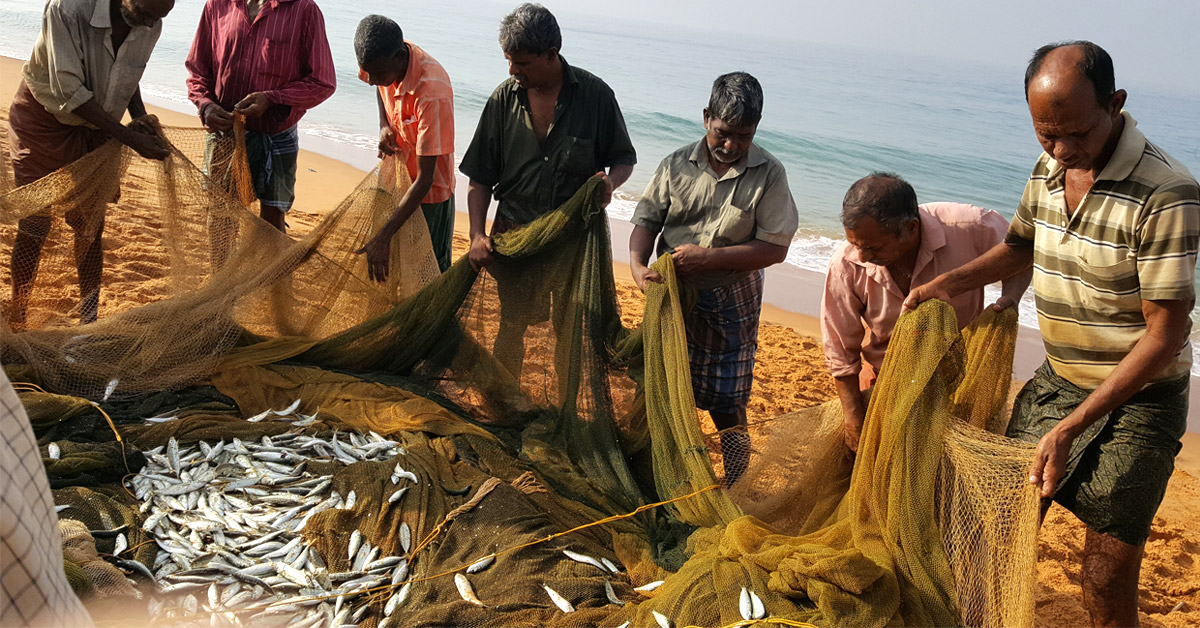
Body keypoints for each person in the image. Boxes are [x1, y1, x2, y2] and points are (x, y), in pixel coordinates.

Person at [905, 41, 1199, 627]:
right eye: (1046, 134)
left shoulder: (1167, 194)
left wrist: (1072, 426)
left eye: (1075, 134)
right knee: (991, 534)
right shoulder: (1049, 169)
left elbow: (1164, 335)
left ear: (1115, 104)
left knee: (1105, 579)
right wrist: (945, 283)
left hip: (1139, 402)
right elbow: (1020, 247)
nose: (1061, 150)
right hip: (1058, 382)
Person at [629, 72, 798, 485]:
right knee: (666, 387)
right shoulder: (675, 164)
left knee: (728, 399)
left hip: (732, 296)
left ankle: (737, 479)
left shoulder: (769, 175)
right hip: (673, 295)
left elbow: (774, 249)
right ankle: (663, 472)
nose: (731, 145)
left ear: (756, 128)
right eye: (723, 133)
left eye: (743, 136)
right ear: (706, 118)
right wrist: (636, 265)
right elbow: (646, 221)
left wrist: (710, 258)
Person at [459, 2, 636, 375]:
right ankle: (505, 398)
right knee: (512, 324)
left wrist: (610, 182)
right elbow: (479, 180)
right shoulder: (503, 100)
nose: (512, 70)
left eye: (521, 63)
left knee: (571, 330)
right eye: (509, 60)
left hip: (574, 241)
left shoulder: (595, 96)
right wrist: (477, 234)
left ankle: (565, 410)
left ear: (551, 55)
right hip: (515, 233)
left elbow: (623, 159)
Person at [821, 173, 1030, 452]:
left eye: (873, 247)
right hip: (886, 378)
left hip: (958, 381)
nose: (862, 256)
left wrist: (1011, 298)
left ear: (910, 227)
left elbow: (1023, 252)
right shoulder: (846, 264)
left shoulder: (971, 226)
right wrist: (854, 418)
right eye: (856, 244)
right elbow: (840, 352)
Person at [6, 0, 174, 330]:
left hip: (99, 125)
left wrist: (139, 117)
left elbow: (127, 72)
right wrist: (128, 138)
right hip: (44, 122)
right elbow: (68, 89)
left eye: (155, 19)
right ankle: (18, 318)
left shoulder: (150, 21)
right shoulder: (67, 9)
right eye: (143, 15)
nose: (147, 25)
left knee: (90, 227)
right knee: (34, 226)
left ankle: (89, 321)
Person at [185, 0, 335, 232]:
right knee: (220, 217)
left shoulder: (304, 10)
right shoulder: (217, 5)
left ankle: (267, 270)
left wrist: (272, 98)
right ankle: (222, 271)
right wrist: (205, 106)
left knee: (271, 225)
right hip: (224, 133)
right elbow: (198, 70)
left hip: (276, 134)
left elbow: (322, 82)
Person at [353, 15, 456, 276]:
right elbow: (378, 86)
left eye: (378, 75)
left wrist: (383, 236)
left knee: (428, 270)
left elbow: (425, 179)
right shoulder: (380, 56)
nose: (373, 80)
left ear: (400, 57)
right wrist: (383, 124)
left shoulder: (432, 93)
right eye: (368, 73)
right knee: (395, 265)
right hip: (396, 180)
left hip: (430, 195)